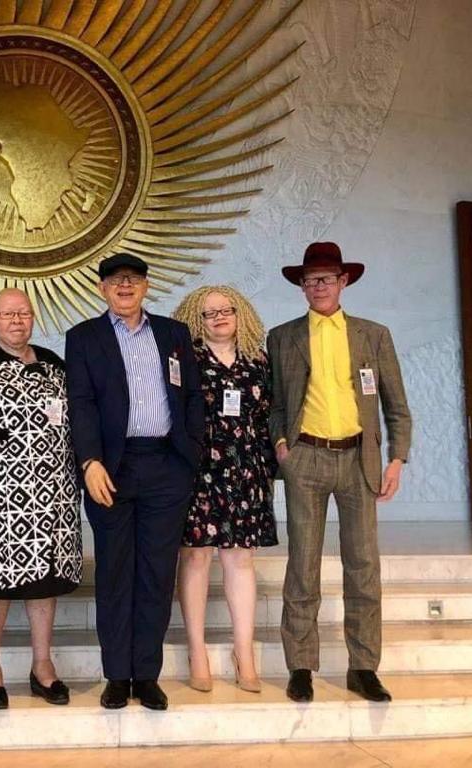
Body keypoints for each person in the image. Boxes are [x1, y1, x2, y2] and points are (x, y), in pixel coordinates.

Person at [268, 242, 412, 704]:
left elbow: (397, 407)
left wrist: (396, 458)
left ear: (343, 282)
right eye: (309, 281)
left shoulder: (373, 334)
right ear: (301, 286)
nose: (317, 287)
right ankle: (301, 666)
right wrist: (281, 446)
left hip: (358, 460)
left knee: (364, 565)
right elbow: (274, 405)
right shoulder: (283, 336)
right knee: (303, 565)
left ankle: (364, 666)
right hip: (305, 459)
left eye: (326, 279)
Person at [65, 253, 203, 711]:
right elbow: (80, 404)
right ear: (102, 288)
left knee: (157, 574)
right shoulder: (83, 338)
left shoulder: (173, 333)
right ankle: (116, 675)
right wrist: (89, 462)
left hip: (167, 466)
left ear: (146, 286)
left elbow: (193, 399)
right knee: (115, 572)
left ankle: (146, 674)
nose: (124, 286)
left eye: (134, 279)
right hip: (111, 470)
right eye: (115, 280)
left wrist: (191, 457)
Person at [0, 288, 82, 710]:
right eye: (7, 314)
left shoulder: (54, 365)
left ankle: (43, 667)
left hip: (53, 498)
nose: (16, 321)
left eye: (23, 313)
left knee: (47, 584)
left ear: (34, 317)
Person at [172, 286, 278, 694]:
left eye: (224, 310)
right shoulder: (186, 362)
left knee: (240, 561)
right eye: (207, 313)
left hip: (246, 471)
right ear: (195, 321)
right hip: (200, 471)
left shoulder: (258, 360)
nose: (218, 317)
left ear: (240, 313)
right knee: (196, 558)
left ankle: (243, 653)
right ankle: (197, 652)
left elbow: (269, 415)